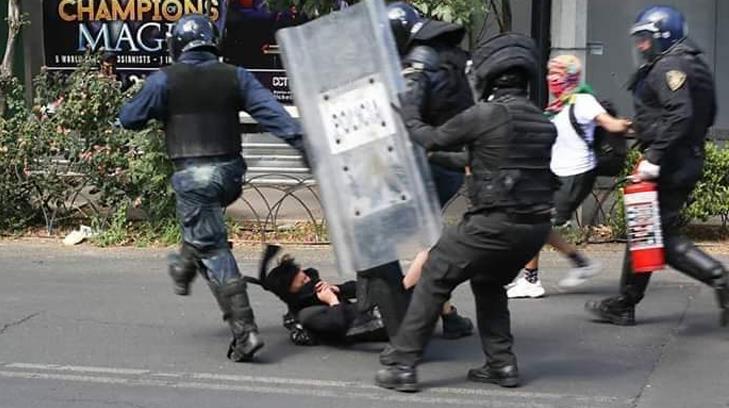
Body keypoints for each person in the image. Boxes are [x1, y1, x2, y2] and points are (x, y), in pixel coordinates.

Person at [375, 33, 558, 392]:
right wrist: (437, 157)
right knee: (488, 282)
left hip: (495, 224)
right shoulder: (540, 122)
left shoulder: (486, 114)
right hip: (534, 229)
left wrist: (408, 110)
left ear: (489, 76)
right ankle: (502, 365)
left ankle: (402, 363)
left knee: (434, 272)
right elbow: (484, 159)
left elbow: (430, 136)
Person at [119, 14, 307, 362]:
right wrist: (302, 143)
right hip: (231, 178)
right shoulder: (235, 75)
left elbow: (129, 118)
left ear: (176, 45)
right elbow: (272, 114)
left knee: (215, 248)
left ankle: (245, 331)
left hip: (195, 179)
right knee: (202, 228)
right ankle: (184, 263)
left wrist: (157, 105)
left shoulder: (164, 80)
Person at [586, 5, 728, 327]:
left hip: (671, 163)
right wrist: (642, 130)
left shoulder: (671, 65)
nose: (641, 46)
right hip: (685, 156)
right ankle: (625, 302)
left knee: (658, 235)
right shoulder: (696, 65)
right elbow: (702, 115)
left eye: (647, 39)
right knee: (645, 230)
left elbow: (680, 114)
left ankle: (720, 278)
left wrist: (654, 158)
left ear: (665, 36)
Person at [507, 54, 632, 298]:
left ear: (571, 77)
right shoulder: (558, 106)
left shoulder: (583, 101)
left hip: (575, 175)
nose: (551, 79)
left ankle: (534, 279)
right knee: (535, 222)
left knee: (536, 223)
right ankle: (577, 264)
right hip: (555, 174)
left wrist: (638, 127)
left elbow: (611, 124)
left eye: (558, 74)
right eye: (550, 74)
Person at [387, 1, 474, 338]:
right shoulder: (446, 55)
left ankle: (405, 301)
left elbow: (409, 114)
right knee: (429, 234)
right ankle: (447, 314)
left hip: (429, 161)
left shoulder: (419, 62)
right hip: (448, 159)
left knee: (418, 240)